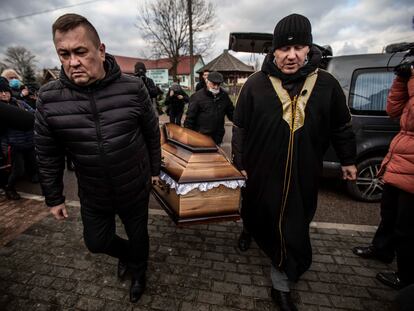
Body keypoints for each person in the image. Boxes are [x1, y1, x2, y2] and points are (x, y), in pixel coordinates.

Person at [231, 14, 357, 310]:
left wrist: (349, 160)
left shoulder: (326, 84)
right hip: (262, 171)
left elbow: (341, 126)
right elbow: (240, 129)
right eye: (284, 49)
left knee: (292, 225)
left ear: (308, 48)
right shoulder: (254, 84)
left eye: (299, 47)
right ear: (273, 51)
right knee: (256, 212)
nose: (291, 56)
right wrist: (239, 161)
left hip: (304, 174)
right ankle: (249, 229)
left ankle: (281, 282)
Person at [34, 13, 161, 303]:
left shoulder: (132, 87)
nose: (72, 62)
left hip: (134, 185)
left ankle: (139, 271)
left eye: (80, 52)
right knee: (96, 241)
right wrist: (53, 197)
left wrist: (154, 169)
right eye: (63, 54)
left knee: (139, 234)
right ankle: (130, 255)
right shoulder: (49, 98)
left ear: (100, 50)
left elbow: (152, 132)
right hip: (93, 191)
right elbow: (47, 151)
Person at [352, 67, 414, 291]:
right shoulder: (408, 84)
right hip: (400, 159)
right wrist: (401, 80)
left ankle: (406, 276)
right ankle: (382, 249)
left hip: (410, 166)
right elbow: (393, 109)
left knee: (407, 226)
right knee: (389, 213)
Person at [0, 77, 37, 200]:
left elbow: (33, 113)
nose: (4, 94)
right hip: (15, 145)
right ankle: (10, 188)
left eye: (6, 91)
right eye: (0, 92)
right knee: (18, 170)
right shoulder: (2, 110)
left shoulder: (20, 103)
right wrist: (6, 147)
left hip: (29, 141)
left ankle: (34, 176)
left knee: (34, 163)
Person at [184, 71, 234, 145]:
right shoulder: (197, 97)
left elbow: (232, 113)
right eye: (214, 84)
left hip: (217, 137)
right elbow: (190, 119)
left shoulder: (224, 96)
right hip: (201, 137)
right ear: (207, 82)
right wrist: (189, 138)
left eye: (218, 84)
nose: (216, 87)